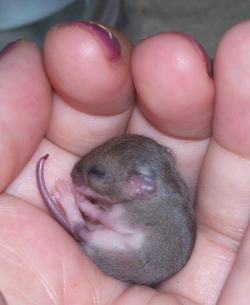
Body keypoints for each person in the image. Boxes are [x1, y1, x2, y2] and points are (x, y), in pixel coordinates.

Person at [0, 19, 250, 305]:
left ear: (139, 187)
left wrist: (78, 204)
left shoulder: (144, 213)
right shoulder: (149, 195)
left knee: (92, 237)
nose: (83, 176)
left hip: (135, 260)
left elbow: (109, 218)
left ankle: (75, 222)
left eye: (97, 174)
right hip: (143, 253)